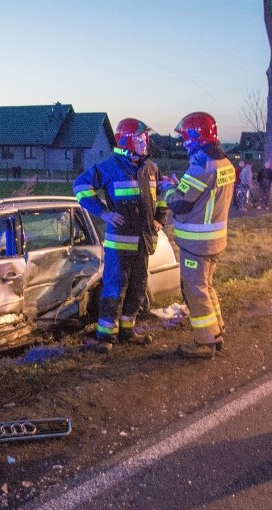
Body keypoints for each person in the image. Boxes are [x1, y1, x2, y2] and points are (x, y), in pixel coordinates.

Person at [73, 118, 168, 353]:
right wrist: (103, 212)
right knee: (115, 288)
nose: (145, 143)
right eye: (139, 139)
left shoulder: (152, 168)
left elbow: (162, 196)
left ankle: (127, 331)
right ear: (126, 141)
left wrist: (159, 219)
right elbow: (80, 186)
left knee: (138, 287)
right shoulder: (110, 166)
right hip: (120, 243)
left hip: (144, 242)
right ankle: (105, 338)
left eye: (145, 138)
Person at [163, 112, 235, 359]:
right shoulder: (225, 163)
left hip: (197, 243)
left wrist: (167, 189)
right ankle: (216, 332)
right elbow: (204, 195)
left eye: (185, 138)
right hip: (215, 240)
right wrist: (180, 185)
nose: (184, 143)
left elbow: (179, 203)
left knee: (195, 290)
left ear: (196, 137)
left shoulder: (201, 166)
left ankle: (205, 342)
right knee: (207, 286)